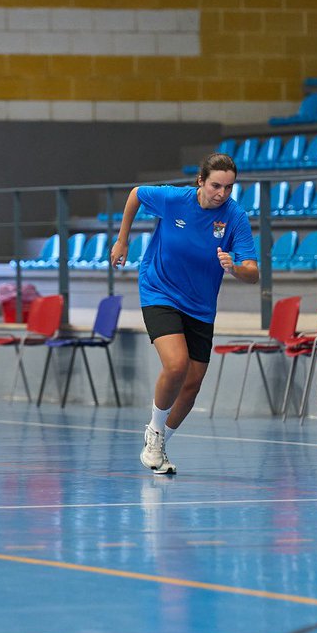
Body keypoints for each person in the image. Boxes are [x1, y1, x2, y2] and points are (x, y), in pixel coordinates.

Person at [109, 152, 258, 475]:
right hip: (159, 290)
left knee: (192, 385)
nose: (222, 193)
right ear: (200, 181)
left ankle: (160, 442)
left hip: (201, 305)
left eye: (229, 188)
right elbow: (136, 194)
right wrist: (122, 241)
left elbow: (253, 272)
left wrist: (234, 267)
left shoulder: (235, 217)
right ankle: (154, 431)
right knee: (176, 365)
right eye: (216, 186)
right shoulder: (174, 199)